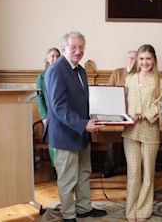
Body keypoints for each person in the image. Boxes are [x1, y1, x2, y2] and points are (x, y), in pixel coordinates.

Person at [44, 31, 107, 222]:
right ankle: (69, 215)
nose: (78, 51)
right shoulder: (56, 69)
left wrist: (97, 116)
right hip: (65, 134)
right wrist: (83, 124)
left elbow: (84, 101)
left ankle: (84, 208)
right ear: (64, 48)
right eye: (74, 47)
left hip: (81, 132)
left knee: (83, 173)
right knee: (68, 178)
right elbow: (59, 107)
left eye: (81, 47)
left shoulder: (79, 70)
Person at [122, 44, 162, 222]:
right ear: (137, 61)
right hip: (130, 131)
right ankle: (131, 210)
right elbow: (123, 101)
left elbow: (159, 104)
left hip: (150, 130)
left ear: (154, 59)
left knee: (148, 174)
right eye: (141, 59)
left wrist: (143, 114)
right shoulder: (130, 79)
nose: (145, 62)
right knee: (133, 173)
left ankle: (143, 211)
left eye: (148, 58)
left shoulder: (160, 82)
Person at [103, 50, 137, 178]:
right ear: (126, 58)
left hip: (133, 113)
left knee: (131, 139)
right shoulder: (117, 73)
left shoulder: (140, 74)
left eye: (135, 58)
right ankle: (110, 167)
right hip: (117, 111)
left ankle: (129, 169)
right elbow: (108, 90)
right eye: (130, 58)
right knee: (113, 138)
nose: (132, 60)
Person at [36, 47, 60, 176]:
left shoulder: (63, 73)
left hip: (62, 114)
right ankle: (55, 167)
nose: (55, 58)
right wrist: (44, 116)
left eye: (57, 56)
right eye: (52, 56)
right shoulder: (42, 76)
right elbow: (39, 98)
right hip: (50, 115)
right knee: (53, 141)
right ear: (47, 59)